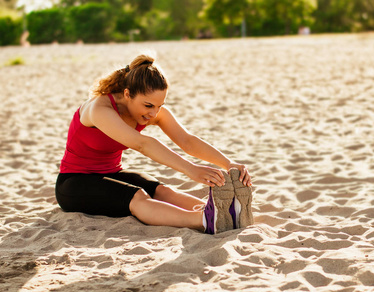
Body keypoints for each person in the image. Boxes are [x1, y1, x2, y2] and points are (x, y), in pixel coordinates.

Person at [55, 53, 253, 234]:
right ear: (127, 94)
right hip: (74, 182)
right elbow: (142, 144)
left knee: (163, 191)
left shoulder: (149, 111)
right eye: (148, 105)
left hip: (112, 173)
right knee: (138, 197)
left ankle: (223, 213)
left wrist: (228, 163)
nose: (154, 114)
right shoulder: (100, 109)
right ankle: (204, 220)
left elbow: (187, 140)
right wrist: (190, 169)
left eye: (159, 106)